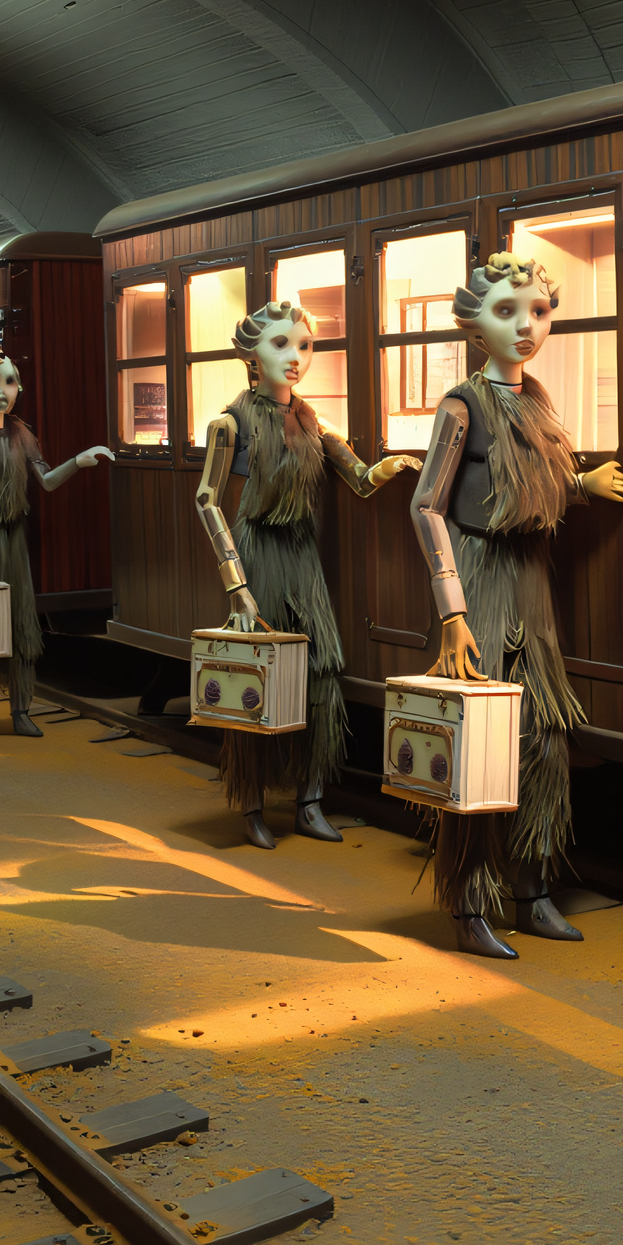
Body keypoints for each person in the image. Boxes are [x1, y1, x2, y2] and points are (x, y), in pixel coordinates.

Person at [411, 254, 623, 958]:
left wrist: (580, 486)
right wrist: (452, 614)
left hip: (529, 581)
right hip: (476, 578)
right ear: (474, 325)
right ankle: (470, 905)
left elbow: (530, 486)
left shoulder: (535, 397)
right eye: (506, 311)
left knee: (543, 739)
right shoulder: (461, 405)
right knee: (478, 741)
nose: (526, 325)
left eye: (537, 311)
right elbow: (426, 506)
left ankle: (532, 891)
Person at [198, 298, 421, 847]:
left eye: (304, 345)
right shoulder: (229, 423)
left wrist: (388, 467)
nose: (295, 356)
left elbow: (360, 479)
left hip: (302, 556)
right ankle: (252, 804)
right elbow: (207, 501)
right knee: (255, 677)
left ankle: (309, 801)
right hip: (256, 555)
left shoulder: (313, 422)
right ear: (251, 355)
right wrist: (236, 586)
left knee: (321, 674)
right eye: (280, 344)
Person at [0, 349, 114, 745]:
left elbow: (46, 481)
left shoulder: (23, 435)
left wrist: (78, 461)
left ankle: (20, 711)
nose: (5, 391)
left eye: (11, 381)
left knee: (20, 622)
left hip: (13, 538)